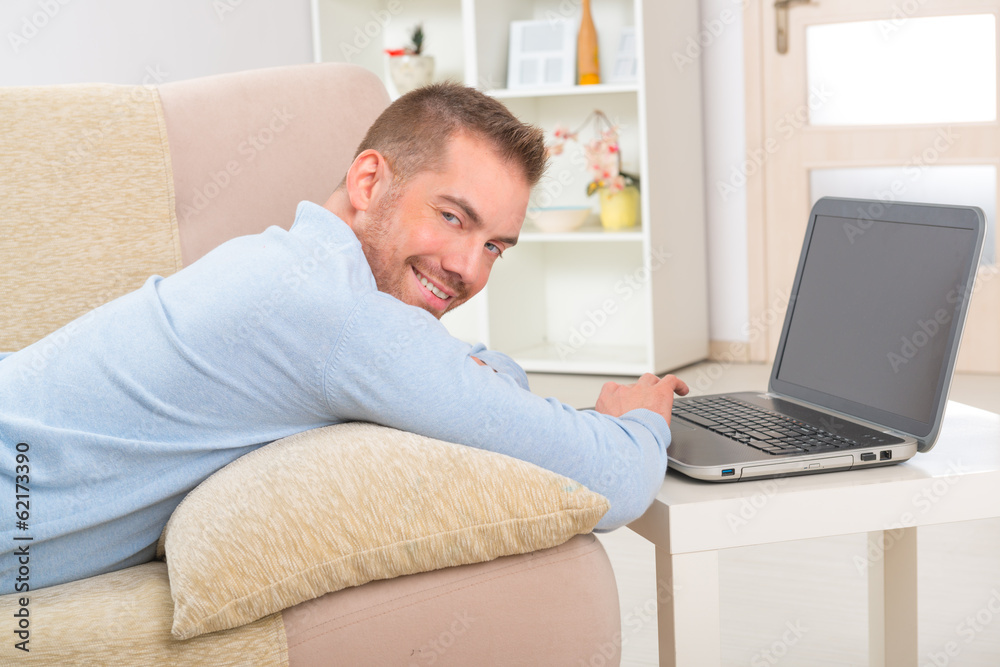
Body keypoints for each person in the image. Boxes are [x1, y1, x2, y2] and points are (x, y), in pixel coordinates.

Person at [0, 83, 688, 594]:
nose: (470, 268)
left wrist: (484, 380)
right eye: (452, 217)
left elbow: (476, 378)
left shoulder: (295, 268)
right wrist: (640, 422)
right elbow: (612, 482)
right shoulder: (338, 316)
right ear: (368, 180)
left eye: (496, 248)